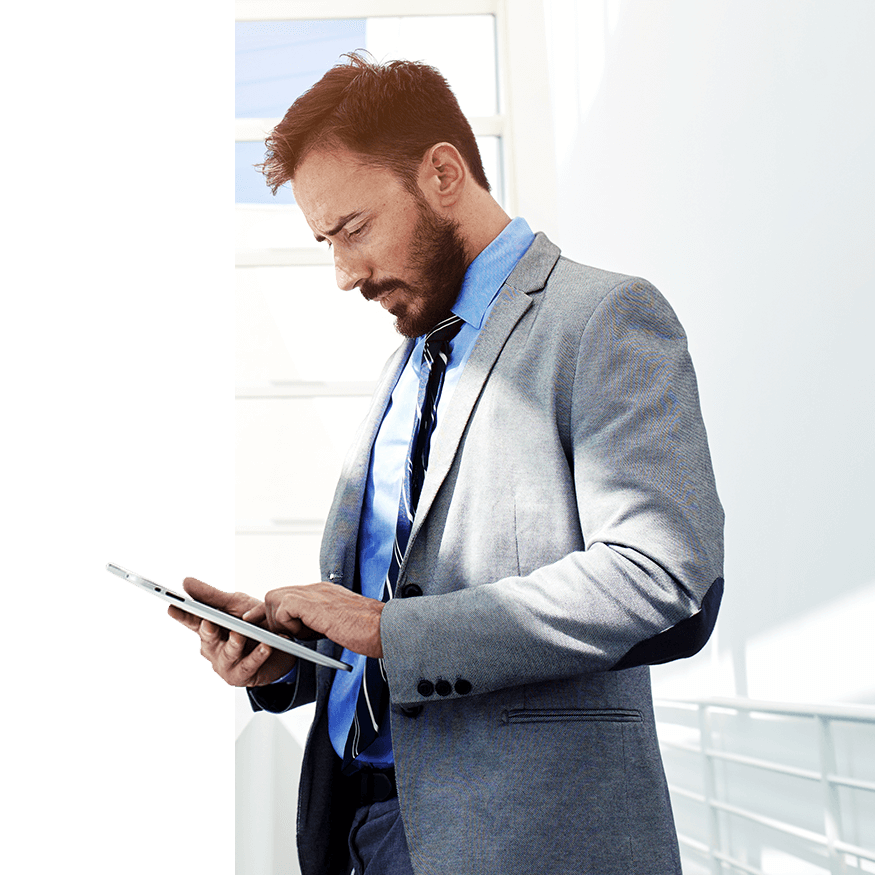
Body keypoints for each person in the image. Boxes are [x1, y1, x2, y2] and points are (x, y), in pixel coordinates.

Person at [174, 53, 724, 874]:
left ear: (441, 173)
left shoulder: (602, 317)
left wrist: (387, 628)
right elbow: (399, 607)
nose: (344, 274)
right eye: (326, 242)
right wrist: (290, 660)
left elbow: (664, 577)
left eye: (353, 229)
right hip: (358, 827)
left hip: (524, 839)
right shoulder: (409, 362)